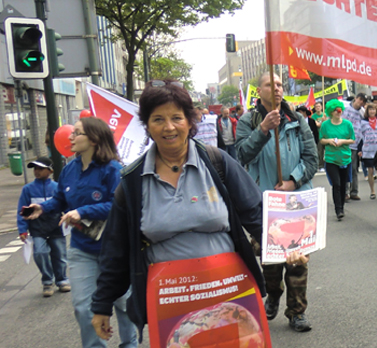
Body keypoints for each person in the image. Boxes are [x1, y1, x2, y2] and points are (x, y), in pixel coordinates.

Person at [88, 80, 307, 341]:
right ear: (147, 126)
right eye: (158, 119)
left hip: (229, 290)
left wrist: (287, 248)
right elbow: (116, 248)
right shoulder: (132, 182)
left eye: (176, 118)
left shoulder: (217, 163)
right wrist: (101, 305)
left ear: (190, 122)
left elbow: (256, 213)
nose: (169, 127)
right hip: (171, 301)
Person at [24, 118, 138, 348]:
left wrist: (82, 211)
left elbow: (119, 205)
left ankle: (130, 344)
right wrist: (42, 208)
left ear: (94, 138)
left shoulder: (114, 170)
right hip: (82, 249)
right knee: (83, 307)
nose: (70, 137)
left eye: (77, 133)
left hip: (114, 249)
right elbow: (60, 199)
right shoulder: (69, 170)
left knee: (123, 303)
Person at [236, 73, 318, 333]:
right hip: (264, 202)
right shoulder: (248, 121)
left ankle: (297, 312)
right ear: (259, 90)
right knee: (269, 261)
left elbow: (312, 158)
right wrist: (262, 130)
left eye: (281, 84)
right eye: (271, 84)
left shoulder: (298, 120)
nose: (277, 88)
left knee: (297, 260)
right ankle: (273, 294)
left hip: (295, 201)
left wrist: (294, 181)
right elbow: (241, 155)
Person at [17, 156, 69, 297]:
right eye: (35, 169)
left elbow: (66, 204)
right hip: (37, 228)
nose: (37, 171)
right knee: (40, 253)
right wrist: (22, 229)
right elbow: (22, 210)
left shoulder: (57, 188)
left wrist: (72, 217)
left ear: (50, 171)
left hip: (55, 226)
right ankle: (47, 281)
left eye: (40, 168)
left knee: (59, 254)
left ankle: (62, 280)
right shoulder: (28, 189)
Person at [319, 98, 356, 221]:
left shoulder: (347, 124)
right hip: (331, 159)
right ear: (331, 112)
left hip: (345, 158)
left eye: (339, 109)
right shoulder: (325, 125)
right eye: (335, 110)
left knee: (343, 184)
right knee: (336, 184)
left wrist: (342, 141)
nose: (338, 111)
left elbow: (352, 139)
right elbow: (321, 139)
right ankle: (338, 209)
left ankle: (342, 206)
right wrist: (329, 141)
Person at [358, 102, 377, 199]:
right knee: (370, 171)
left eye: (374, 109)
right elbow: (360, 136)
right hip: (368, 149)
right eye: (370, 109)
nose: (372, 111)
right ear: (367, 111)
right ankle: (372, 191)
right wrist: (359, 149)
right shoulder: (363, 123)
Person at [344, 93, 368, 201]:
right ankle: (345, 192)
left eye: (363, 101)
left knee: (354, 169)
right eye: (360, 99)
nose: (360, 102)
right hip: (344, 142)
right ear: (355, 99)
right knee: (345, 168)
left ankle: (354, 191)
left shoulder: (362, 112)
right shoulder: (345, 108)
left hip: (355, 143)